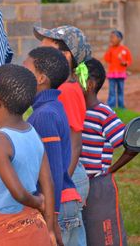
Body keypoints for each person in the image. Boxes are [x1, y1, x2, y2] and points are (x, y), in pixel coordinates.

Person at [0, 64, 56, 245]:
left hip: (7, 228)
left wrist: (37, 202)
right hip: (35, 225)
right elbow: (48, 183)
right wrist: (51, 229)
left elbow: (18, 193)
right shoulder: (33, 133)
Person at [24, 46, 84, 246]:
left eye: (27, 70)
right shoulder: (47, 109)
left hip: (57, 207)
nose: (22, 74)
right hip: (58, 205)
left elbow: (54, 172)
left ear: (41, 79)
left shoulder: (44, 116)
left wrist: (51, 221)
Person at [80, 58, 137, 246]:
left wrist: (112, 169)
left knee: (105, 236)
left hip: (98, 186)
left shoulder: (103, 113)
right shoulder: (74, 111)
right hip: (78, 185)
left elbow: (132, 142)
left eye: (75, 77)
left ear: (89, 84)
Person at [34, 26, 91, 211]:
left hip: (67, 177)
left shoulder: (67, 90)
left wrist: (60, 186)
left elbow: (75, 143)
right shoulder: (62, 88)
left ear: (65, 56)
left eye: (45, 51)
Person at [104, 30, 132, 109]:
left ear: (119, 39)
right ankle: (111, 106)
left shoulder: (125, 50)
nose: (111, 39)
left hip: (121, 74)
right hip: (112, 74)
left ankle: (121, 106)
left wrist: (125, 63)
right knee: (112, 91)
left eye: (113, 37)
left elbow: (129, 60)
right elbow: (107, 59)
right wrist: (109, 49)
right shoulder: (111, 49)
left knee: (120, 90)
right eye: (110, 37)